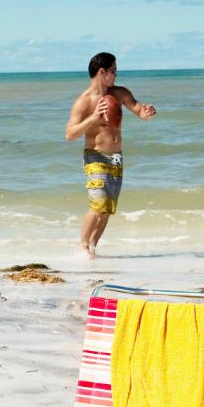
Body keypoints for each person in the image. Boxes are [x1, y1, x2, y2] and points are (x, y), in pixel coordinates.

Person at [65, 52, 157, 258]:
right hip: (95, 157)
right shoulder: (84, 102)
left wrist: (147, 112)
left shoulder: (120, 93)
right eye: (113, 71)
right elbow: (70, 134)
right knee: (98, 205)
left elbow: (138, 110)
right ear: (102, 72)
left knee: (107, 209)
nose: (116, 75)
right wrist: (94, 117)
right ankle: (81, 247)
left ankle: (92, 248)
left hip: (116, 157)